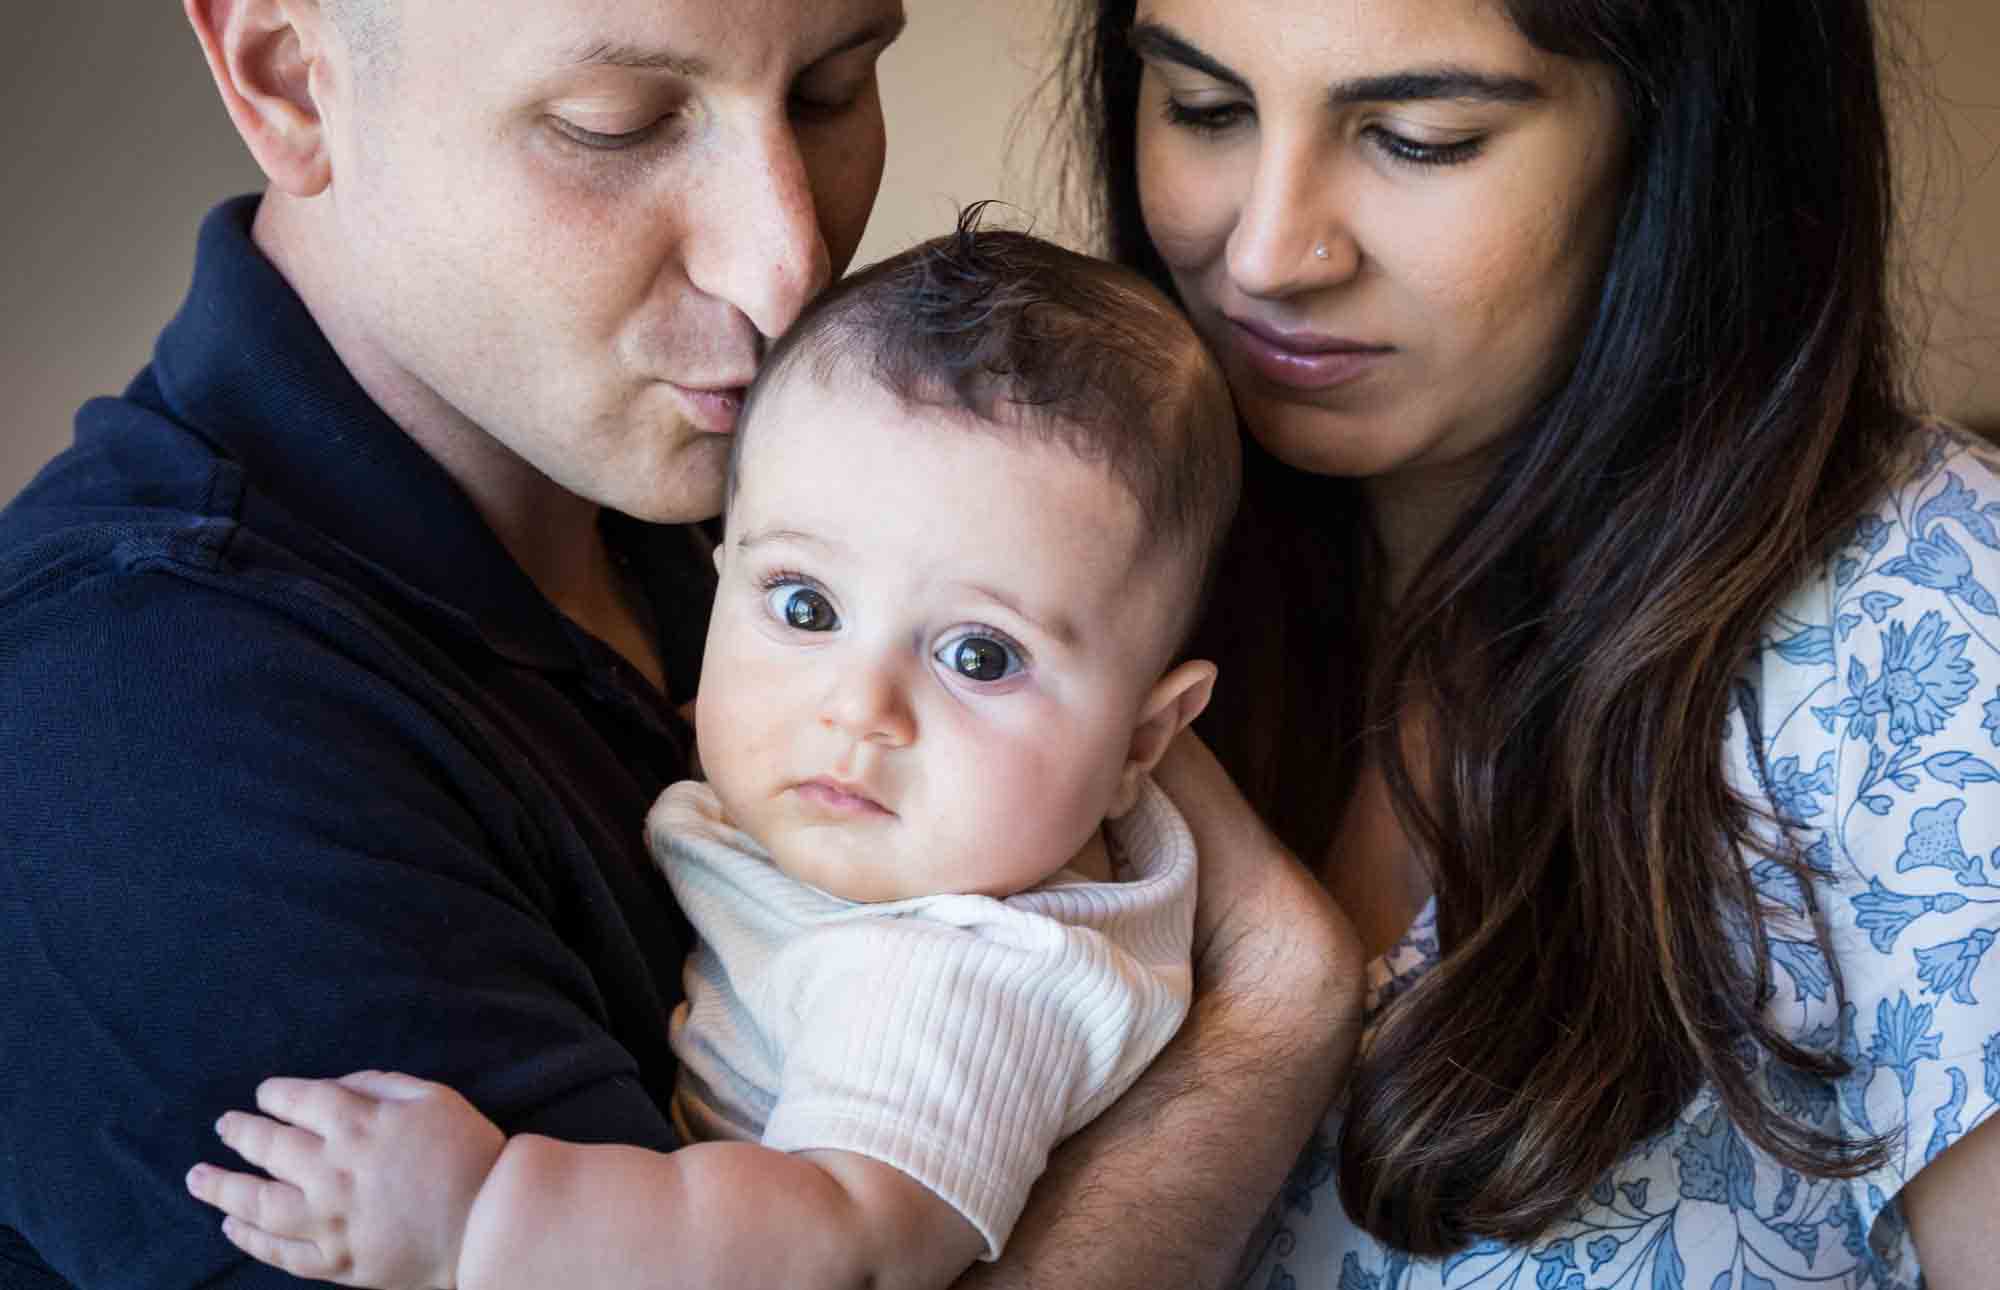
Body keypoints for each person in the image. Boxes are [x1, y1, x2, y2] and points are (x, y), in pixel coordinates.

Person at [0, 0, 1362, 1285]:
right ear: (291, 75)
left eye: (836, 84)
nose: (785, 272)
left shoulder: (745, 494)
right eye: (615, 118)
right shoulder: (130, 737)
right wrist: (1265, 1030)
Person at [1060, 0, 2000, 1286]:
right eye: (1203, 109)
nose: (1269, 252)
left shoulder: (1929, 616)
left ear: (1683, 147)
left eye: (1420, 136)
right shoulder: (1058, 545)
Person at [181, 221, 1242, 1290]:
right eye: (802, 605)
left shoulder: (957, 983)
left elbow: (840, 1244)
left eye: (979, 654)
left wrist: (483, 1219)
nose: (857, 707)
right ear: (722, 571)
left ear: (1144, 739)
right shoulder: (962, 821)